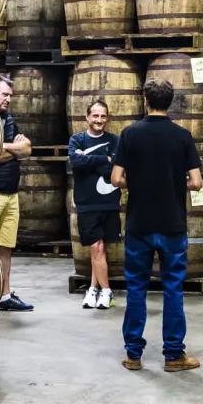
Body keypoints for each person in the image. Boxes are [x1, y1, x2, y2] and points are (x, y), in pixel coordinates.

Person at [111, 79, 203, 372]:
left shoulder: (130, 134)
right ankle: (174, 355)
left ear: (145, 100)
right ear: (170, 102)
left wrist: (137, 183)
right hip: (172, 223)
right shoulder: (182, 136)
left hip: (139, 224)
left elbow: (116, 178)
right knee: (173, 288)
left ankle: (133, 354)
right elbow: (197, 182)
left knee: (136, 288)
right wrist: (175, 184)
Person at [0, 75, 35, 312]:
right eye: (5, 94)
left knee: (5, 247)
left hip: (11, 194)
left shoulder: (9, 119)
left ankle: (4, 295)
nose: (8, 99)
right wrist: (13, 149)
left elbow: (27, 148)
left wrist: (5, 147)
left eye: (10, 95)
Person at [69, 100, 121, 310]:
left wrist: (89, 159)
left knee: (100, 249)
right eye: (95, 116)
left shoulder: (115, 140)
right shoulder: (77, 139)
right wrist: (104, 158)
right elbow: (75, 163)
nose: (99, 120)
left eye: (103, 116)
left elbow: (114, 170)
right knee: (96, 247)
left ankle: (93, 289)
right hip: (87, 203)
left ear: (107, 118)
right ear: (87, 118)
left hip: (109, 202)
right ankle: (107, 291)